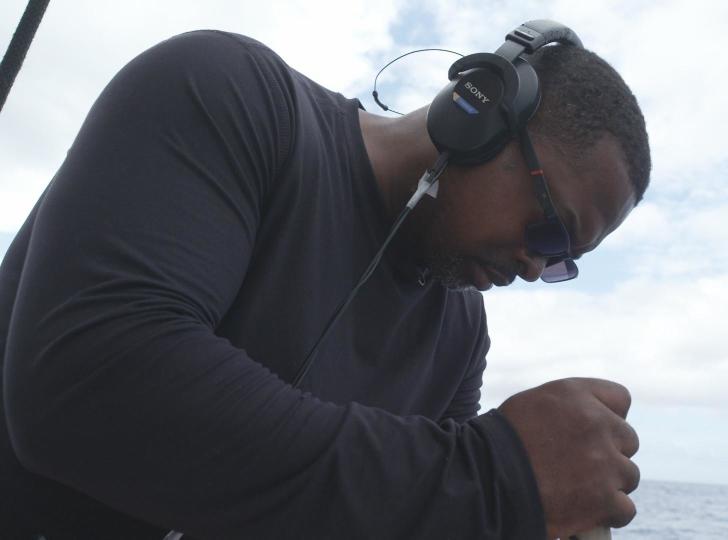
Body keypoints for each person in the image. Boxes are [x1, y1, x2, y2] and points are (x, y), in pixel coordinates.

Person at [0, 21, 650, 540]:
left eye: (564, 260)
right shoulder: (228, 95)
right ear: (479, 110)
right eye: (550, 229)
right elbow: (87, 384)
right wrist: (493, 479)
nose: (538, 267)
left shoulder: (461, 333)